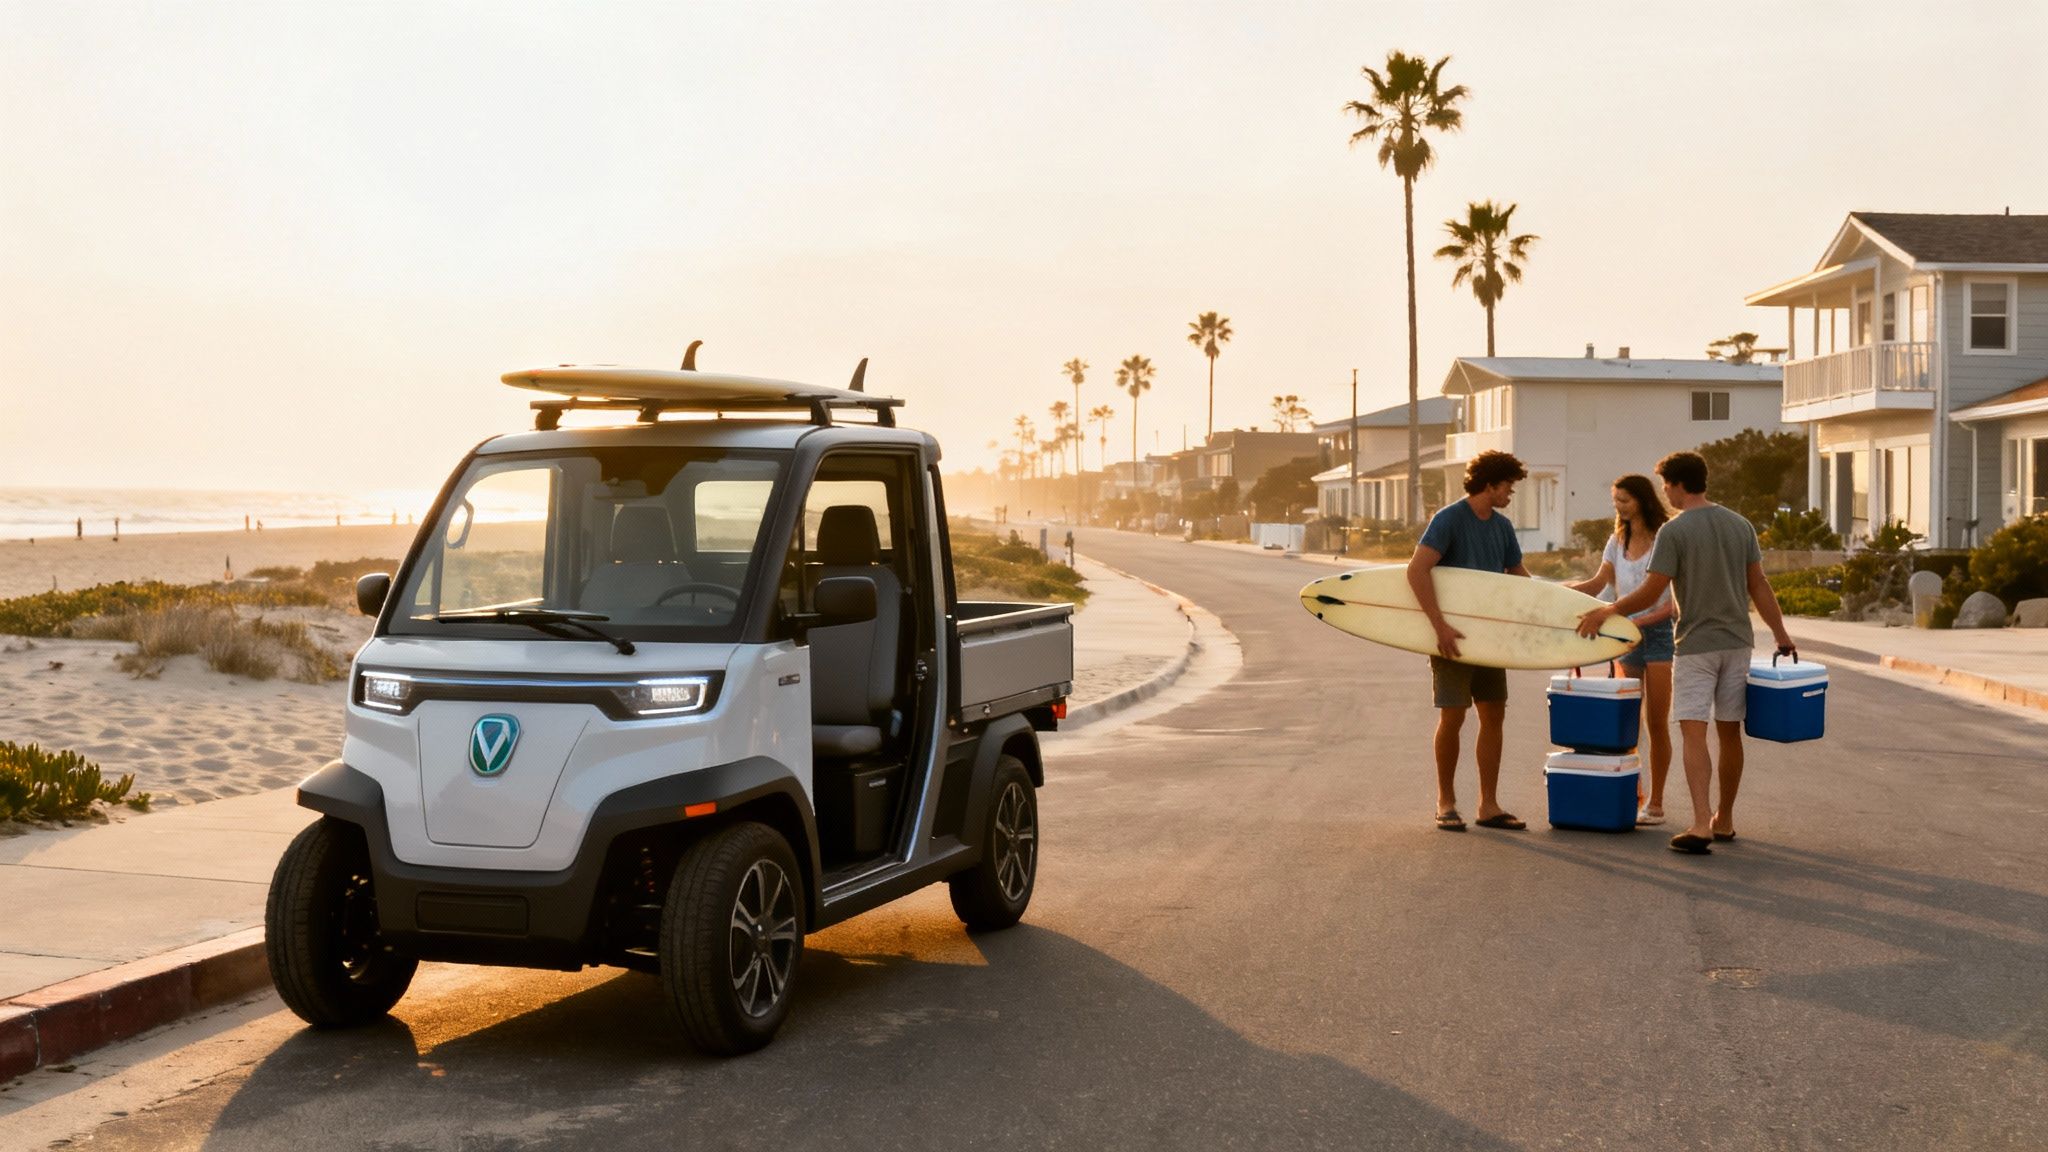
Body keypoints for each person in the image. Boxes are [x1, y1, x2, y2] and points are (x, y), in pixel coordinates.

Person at [1577, 451, 1796, 856]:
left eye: (1665, 485)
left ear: (1677, 484)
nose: (1665, 493)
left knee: (1693, 730)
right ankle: (1724, 819)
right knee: (1729, 732)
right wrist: (1782, 634)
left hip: (1696, 645)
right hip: (1737, 642)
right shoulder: (1739, 525)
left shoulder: (1674, 532)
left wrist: (1608, 610)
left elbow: (1649, 590)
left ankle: (1700, 823)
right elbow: (1759, 585)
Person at [1408, 449, 1531, 833]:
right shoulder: (1449, 520)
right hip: (1453, 638)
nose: (1510, 495)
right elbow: (1417, 570)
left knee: (1494, 714)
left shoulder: (1502, 526)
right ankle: (1446, 801)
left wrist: (1550, 606)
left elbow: (1516, 573)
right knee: (1454, 714)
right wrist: (1439, 626)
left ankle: (1488, 805)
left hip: (1490, 638)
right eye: (1507, 488)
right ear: (1490, 485)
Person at [1566, 474, 1676, 826]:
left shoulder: (1665, 538)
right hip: (1624, 637)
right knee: (1628, 726)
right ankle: (1632, 793)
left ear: (1643, 499)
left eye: (1625, 500)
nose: (1619, 507)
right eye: (1615, 501)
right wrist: (1563, 593)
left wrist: (1631, 623)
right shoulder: (1617, 540)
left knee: (1656, 721)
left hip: (1657, 635)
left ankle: (1656, 803)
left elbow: (1670, 604)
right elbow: (1599, 584)